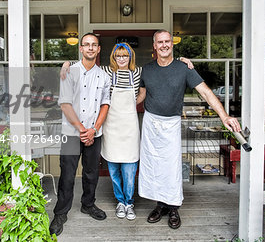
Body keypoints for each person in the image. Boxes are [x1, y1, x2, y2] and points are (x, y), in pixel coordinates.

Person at [61, 42, 193, 222]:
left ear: (130, 57)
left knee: (130, 168)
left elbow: (162, 64)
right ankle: (120, 201)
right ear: (113, 57)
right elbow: (87, 62)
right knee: (114, 168)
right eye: (118, 56)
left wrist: (182, 60)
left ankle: (129, 202)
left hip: (130, 127)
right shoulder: (106, 72)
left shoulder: (139, 72)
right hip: (111, 126)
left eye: (125, 55)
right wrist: (66, 63)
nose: (121, 59)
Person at [137, 29, 241, 230]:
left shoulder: (184, 68)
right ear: (155, 45)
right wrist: (120, 107)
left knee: (172, 167)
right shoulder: (147, 70)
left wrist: (224, 116)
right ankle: (160, 205)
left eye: (167, 41)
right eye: (160, 42)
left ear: (172, 44)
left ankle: (174, 207)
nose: (164, 45)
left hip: (171, 124)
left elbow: (206, 93)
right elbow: (140, 96)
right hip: (151, 124)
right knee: (154, 166)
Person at [49, 33, 111, 236]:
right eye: (87, 45)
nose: (91, 48)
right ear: (81, 49)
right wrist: (82, 129)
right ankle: (60, 213)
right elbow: (65, 104)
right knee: (67, 175)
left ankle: (88, 204)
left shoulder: (104, 76)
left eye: (94, 45)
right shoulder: (69, 72)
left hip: (94, 133)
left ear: (99, 49)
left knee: (91, 173)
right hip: (71, 133)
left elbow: (105, 105)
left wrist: (93, 129)